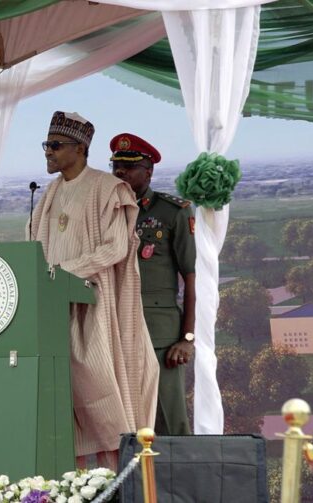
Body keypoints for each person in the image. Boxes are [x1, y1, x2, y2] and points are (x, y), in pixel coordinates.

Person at [29, 112, 159, 469]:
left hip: (94, 305)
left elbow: (114, 248)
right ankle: (73, 480)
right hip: (54, 307)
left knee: (99, 385)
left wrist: (61, 273)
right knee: (60, 396)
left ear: (80, 149)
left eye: (55, 145)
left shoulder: (107, 188)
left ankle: (117, 475)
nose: (48, 152)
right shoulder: (50, 193)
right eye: (47, 145)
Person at [110, 132, 196, 435]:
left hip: (160, 332)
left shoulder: (172, 212)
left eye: (130, 166)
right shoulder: (106, 212)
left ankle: (180, 482)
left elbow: (191, 278)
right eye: (116, 165)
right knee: (125, 422)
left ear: (149, 171)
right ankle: (134, 482)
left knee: (169, 419)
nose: (120, 172)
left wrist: (187, 338)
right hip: (116, 327)